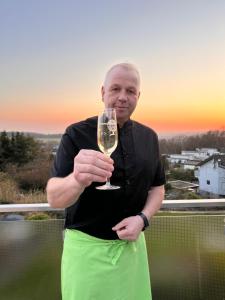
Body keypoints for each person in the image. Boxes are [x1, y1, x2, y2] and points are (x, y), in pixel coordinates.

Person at [46, 62, 165, 300]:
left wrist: (142, 219)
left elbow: (157, 188)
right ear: (103, 92)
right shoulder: (76, 134)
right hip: (86, 257)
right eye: (115, 89)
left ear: (138, 96)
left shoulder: (149, 137)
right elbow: (53, 197)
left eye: (130, 91)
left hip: (132, 253)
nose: (123, 97)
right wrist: (77, 180)